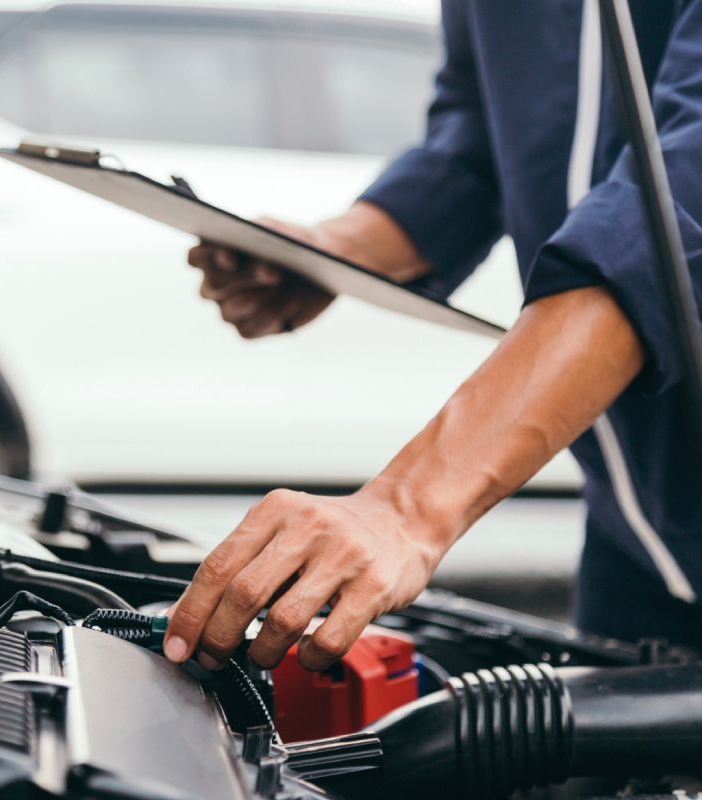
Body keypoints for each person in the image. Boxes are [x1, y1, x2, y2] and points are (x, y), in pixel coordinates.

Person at [164, 0, 702, 673]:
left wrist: (403, 507)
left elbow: (677, 208)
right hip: (635, 532)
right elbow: (477, 141)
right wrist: (336, 251)